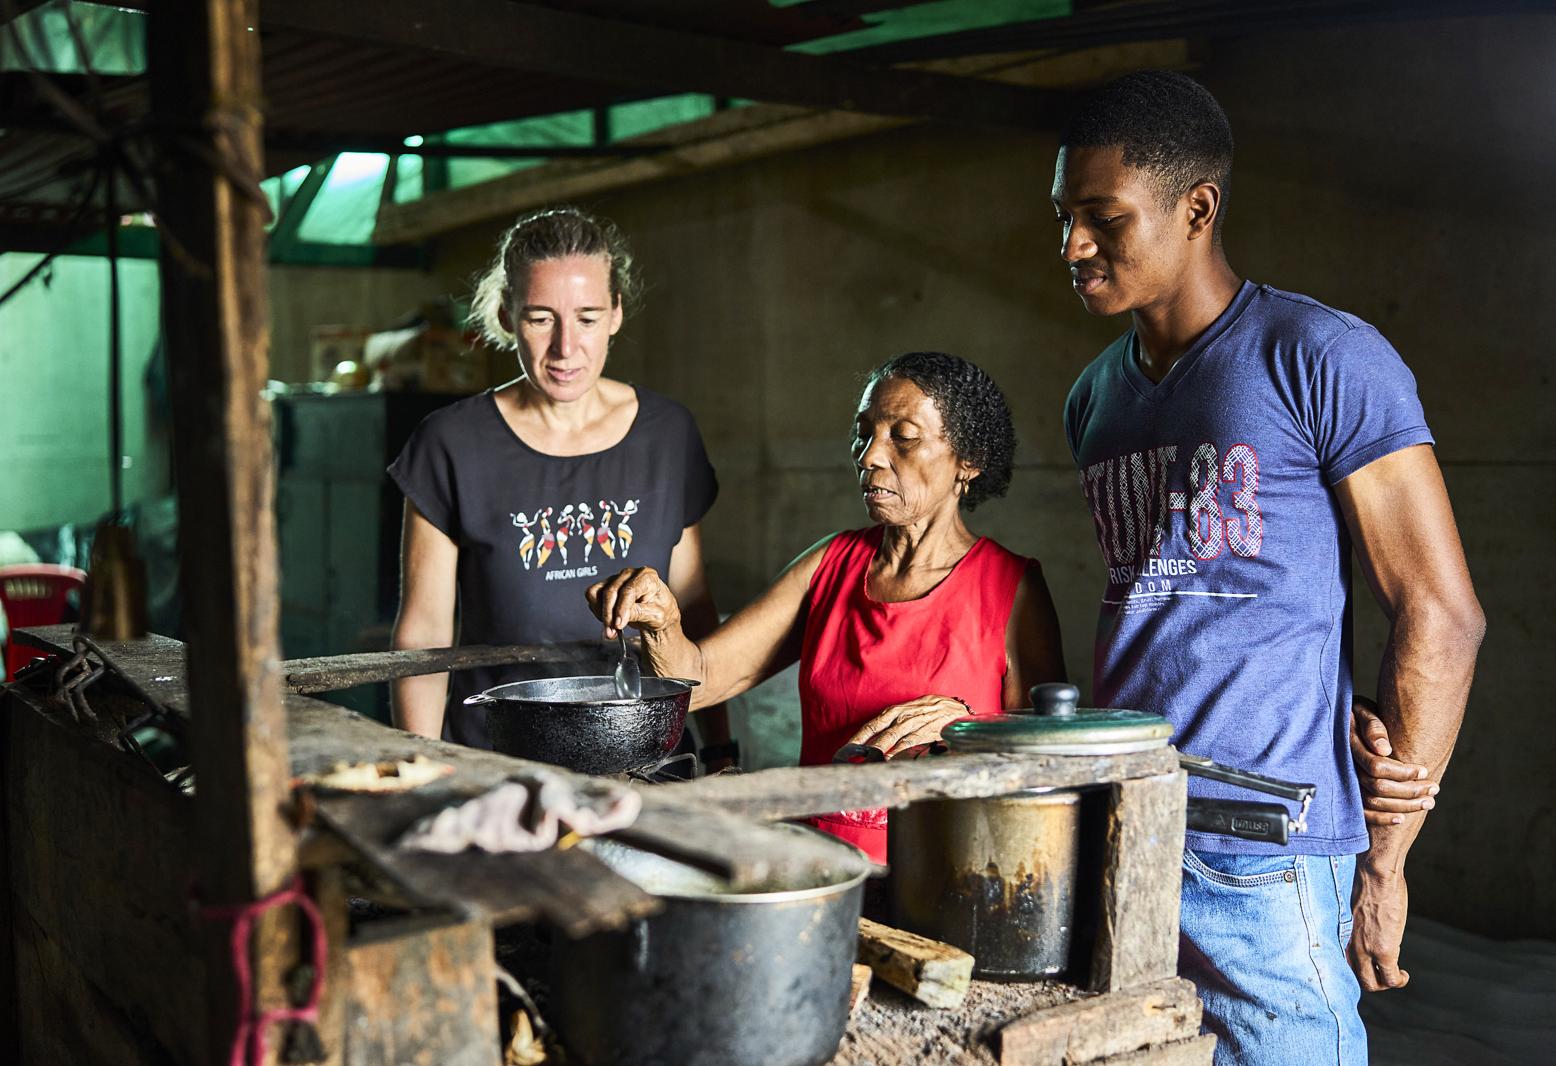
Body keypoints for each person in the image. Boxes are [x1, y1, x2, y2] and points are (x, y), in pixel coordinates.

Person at [1052, 71, 1485, 1065]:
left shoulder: (1318, 355)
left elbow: (1440, 611)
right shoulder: (1093, 398)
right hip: (1126, 829)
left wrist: (1384, 863)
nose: (1070, 247)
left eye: (1100, 218)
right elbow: (1174, 610)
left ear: (1196, 207)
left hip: (1267, 854)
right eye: (1062, 216)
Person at [586, 352, 1066, 863]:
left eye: (902, 436)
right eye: (864, 433)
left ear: (968, 460)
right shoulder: (831, 564)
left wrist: (968, 727)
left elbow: (1049, 764)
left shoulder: (1012, 588)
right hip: (820, 868)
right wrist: (663, 621)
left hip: (947, 869)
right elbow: (699, 678)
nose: (869, 457)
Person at [387, 206, 733, 763]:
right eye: (541, 318)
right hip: (500, 757)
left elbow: (693, 609)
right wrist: (425, 771)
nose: (566, 347)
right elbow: (425, 632)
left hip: (646, 756)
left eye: (589, 317)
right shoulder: (450, 442)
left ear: (617, 313)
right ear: (506, 315)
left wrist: (720, 747)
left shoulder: (667, 434)